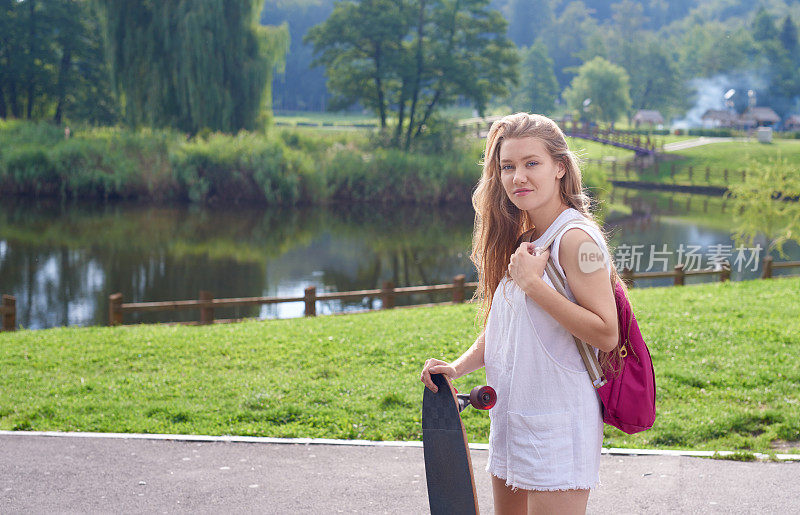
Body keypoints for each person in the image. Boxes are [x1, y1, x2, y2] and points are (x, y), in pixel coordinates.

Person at [420, 113, 623, 515]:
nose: (518, 177)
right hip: (513, 421)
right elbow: (504, 330)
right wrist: (456, 369)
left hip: (558, 427)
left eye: (532, 163)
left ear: (560, 167)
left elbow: (606, 333)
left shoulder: (577, 239)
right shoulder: (527, 239)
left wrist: (534, 286)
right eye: (508, 167)